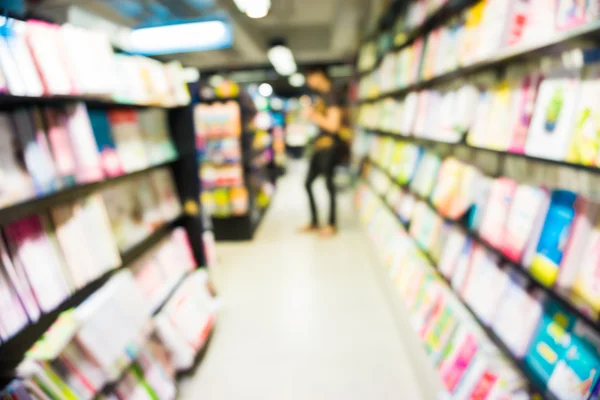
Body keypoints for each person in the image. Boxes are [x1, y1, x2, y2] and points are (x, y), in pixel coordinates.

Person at [298, 66, 343, 237]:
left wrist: (313, 116)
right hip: (320, 146)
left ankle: (331, 223)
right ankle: (315, 221)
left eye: (310, 77)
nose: (309, 82)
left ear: (319, 75)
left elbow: (333, 125)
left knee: (329, 184)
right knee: (308, 183)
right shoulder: (322, 97)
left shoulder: (332, 95)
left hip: (329, 146)